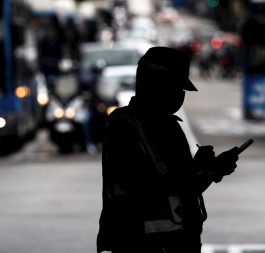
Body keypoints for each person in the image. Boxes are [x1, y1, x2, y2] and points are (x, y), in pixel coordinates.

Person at [97, 47, 240, 253]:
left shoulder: (170, 126)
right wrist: (195, 169)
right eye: (176, 87)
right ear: (157, 85)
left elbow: (184, 192)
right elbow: (141, 189)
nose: (180, 95)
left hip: (181, 244)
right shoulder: (123, 127)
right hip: (140, 245)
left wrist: (212, 170)